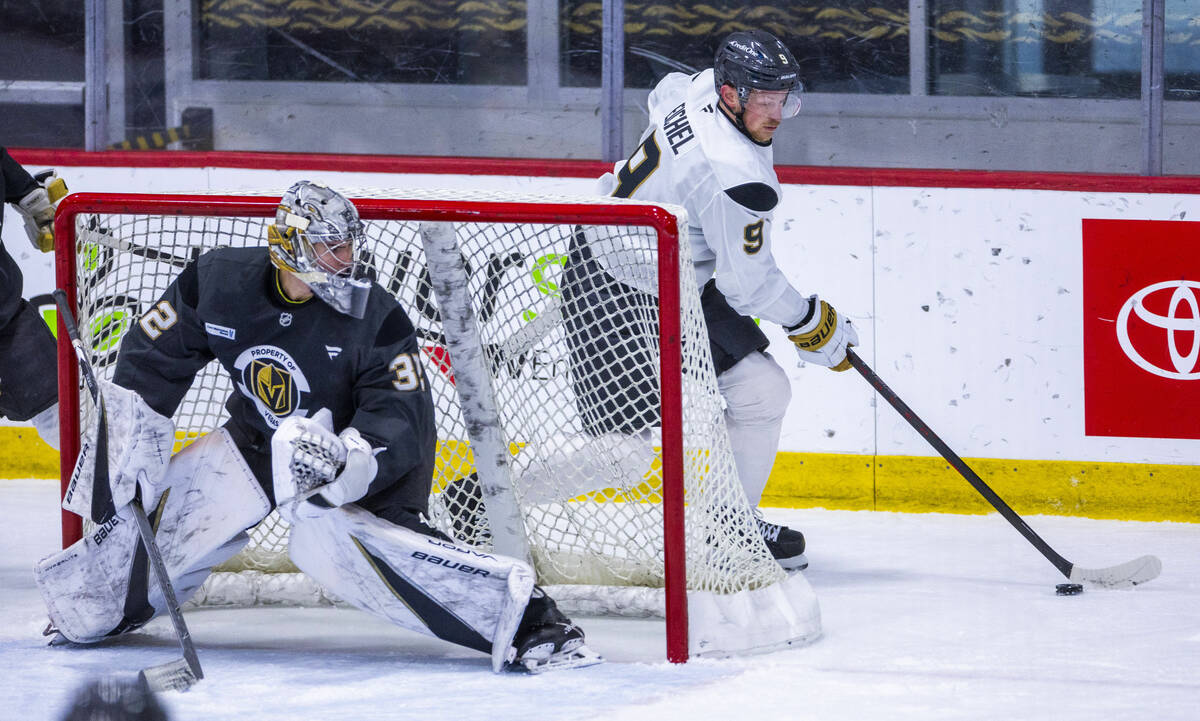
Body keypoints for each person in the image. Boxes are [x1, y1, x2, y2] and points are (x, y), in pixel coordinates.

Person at [34, 180, 600, 674]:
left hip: (351, 465)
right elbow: (150, 363)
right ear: (290, 244)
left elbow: (396, 417)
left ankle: (532, 622)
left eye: (349, 243)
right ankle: (101, 613)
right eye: (331, 245)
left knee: (369, 556)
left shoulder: (375, 314)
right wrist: (135, 441)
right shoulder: (216, 280)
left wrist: (346, 462)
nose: (346, 257)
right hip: (257, 442)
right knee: (153, 533)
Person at [574, 30, 859, 570]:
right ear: (731, 95)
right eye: (764, 100)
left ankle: (729, 527)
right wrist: (810, 323)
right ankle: (480, 495)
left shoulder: (699, 86)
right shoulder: (736, 176)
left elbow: (664, 92)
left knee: (762, 392)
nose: (776, 113)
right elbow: (746, 286)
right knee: (620, 458)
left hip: (673, 273)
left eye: (783, 99)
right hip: (615, 283)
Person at [1, 145, 66, 449]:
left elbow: (15, 180)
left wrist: (33, 200)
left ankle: (112, 490)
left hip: (8, 318)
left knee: (66, 419)